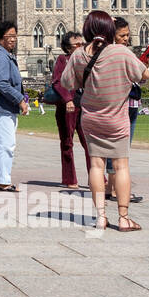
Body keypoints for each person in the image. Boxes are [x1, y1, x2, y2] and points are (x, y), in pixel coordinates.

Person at [59, 9, 149, 233]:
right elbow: (144, 76)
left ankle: (100, 216)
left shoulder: (79, 54)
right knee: (121, 166)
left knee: (96, 165)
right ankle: (123, 217)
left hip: (91, 118)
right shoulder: (120, 52)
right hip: (116, 119)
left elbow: (67, 82)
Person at [0, 21, 29, 191]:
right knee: (6, 144)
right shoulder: (1, 56)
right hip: (1, 106)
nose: (13, 40)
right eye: (10, 36)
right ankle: (2, 181)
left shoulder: (3, 54)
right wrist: (20, 100)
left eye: (15, 36)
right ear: (0, 38)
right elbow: (2, 84)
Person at [104, 19, 143, 205]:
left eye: (128, 35)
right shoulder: (114, 54)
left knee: (122, 149)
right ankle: (114, 189)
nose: (127, 39)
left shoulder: (125, 53)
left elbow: (141, 79)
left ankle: (111, 188)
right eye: (122, 36)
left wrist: (146, 63)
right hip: (120, 106)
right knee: (118, 150)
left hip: (133, 104)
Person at [51, 30, 89, 189]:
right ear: (68, 47)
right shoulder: (63, 60)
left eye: (83, 44)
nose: (81, 47)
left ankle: (96, 176)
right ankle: (69, 178)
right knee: (67, 142)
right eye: (77, 44)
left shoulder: (86, 60)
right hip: (68, 106)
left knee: (89, 143)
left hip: (85, 105)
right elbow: (57, 82)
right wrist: (67, 99)